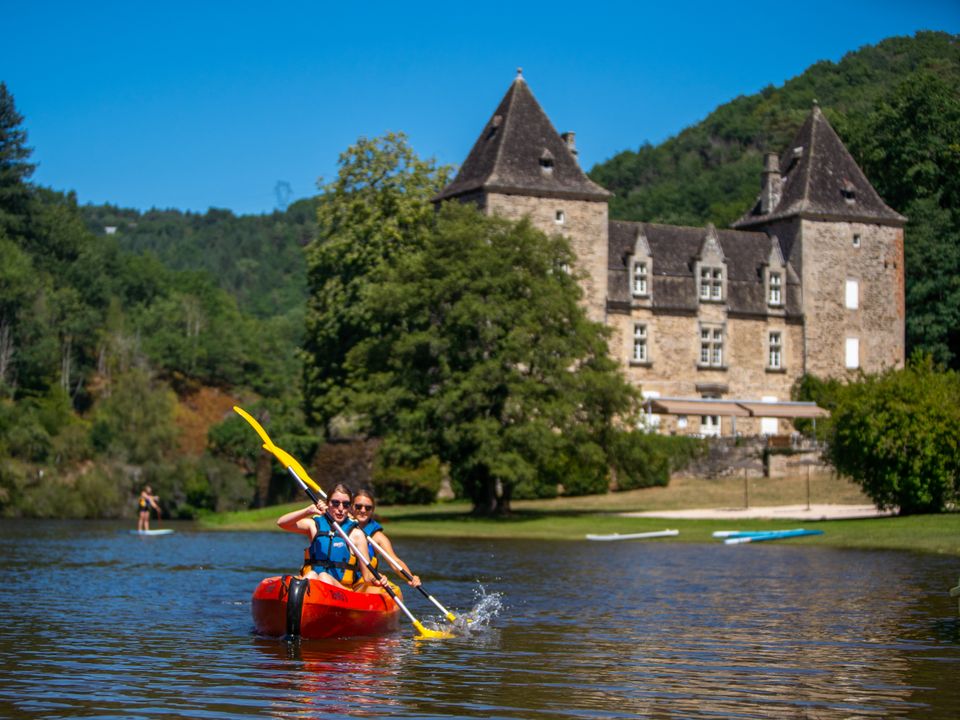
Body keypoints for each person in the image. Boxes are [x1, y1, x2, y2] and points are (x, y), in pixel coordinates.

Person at [276, 484, 384, 591]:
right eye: (335, 503)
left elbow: (367, 576)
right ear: (328, 503)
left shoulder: (356, 535)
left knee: (324, 577)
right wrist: (307, 511)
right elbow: (282, 523)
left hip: (342, 591)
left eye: (346, 504)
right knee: (312, 575)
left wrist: (378, 579)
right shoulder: (314, 526)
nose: (340, 508)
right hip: (313, 584)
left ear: (350, 507)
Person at [351, 487, 421, 588]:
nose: (363, 510)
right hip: (340, 581)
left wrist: (410, 577)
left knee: (393, 589)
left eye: (368, 508)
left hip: (364, 583)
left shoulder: (378, 537)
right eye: (358, 506)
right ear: (351, 507)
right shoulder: (340, 524)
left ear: (372, 510)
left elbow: (395, 561)